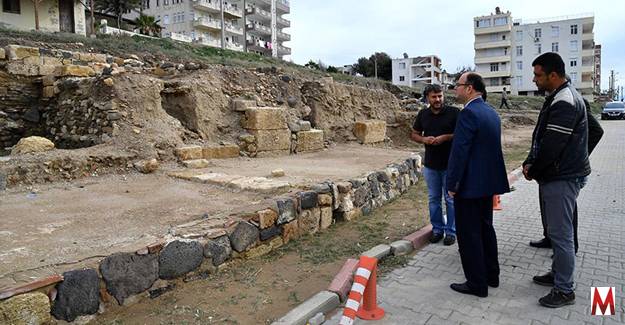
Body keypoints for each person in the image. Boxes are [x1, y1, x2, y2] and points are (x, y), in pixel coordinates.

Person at [523, 52, 591, 308]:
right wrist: (580, 155)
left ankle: (565, 290)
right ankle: (558, 275)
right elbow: (590, 131)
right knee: (558, 232)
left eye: (538, 75)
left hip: (562, 177)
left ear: (553, 75)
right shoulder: (564, 95)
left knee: (561, 235)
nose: (534, 80)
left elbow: (551, 146)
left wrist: (534, 169)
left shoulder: (565, 100)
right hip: (565, 173)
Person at [446, 73, 510, 297]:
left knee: (469, 235)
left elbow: (460, 152)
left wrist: (452, 183)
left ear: (470, 88)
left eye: (458, 86)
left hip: (469, 187)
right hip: (486, 184)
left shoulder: (468, 113)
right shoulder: (491, 113)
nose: (456, 89)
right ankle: (492, 276)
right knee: (485, 230)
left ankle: (476, 284)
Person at [529, 91, 604, 253]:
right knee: (546, 204)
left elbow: (597, 131)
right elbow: (540, 136)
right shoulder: (551, 101)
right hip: (548, 169)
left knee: (567, 210)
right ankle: (550, 238)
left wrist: (579, 154)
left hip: (565, 171)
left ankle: (571, 245)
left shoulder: (574, 103)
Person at [411, 84, 459, 245]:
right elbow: (414, 134)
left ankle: (451, 231)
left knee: (450, 199)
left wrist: (446, 137)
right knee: (433, 199)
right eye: (434, 97)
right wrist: (424, 139)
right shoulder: (423, 114)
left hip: (450, 165)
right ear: (427, 98)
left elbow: (462, 133)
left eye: (440, 96)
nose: (438, 99)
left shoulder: (454, 113)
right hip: (431, 165)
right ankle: (437, 229)